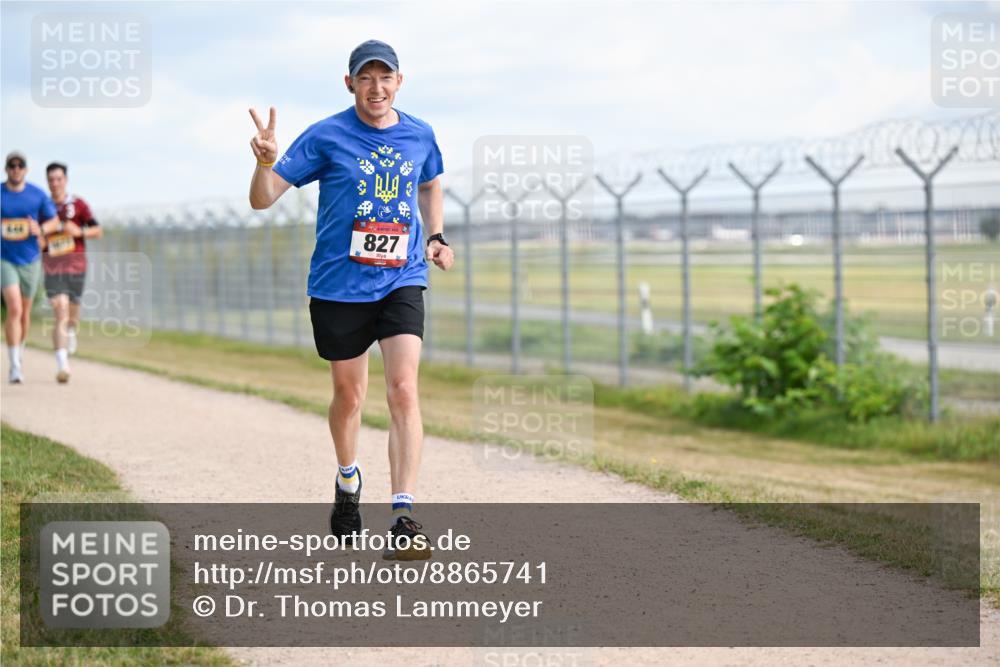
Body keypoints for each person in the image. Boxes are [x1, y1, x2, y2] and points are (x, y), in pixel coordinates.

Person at [247, 40, 452, 560]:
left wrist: (436, 236)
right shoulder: (326, 135)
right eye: (366, 78)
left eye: (386, 78)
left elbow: (430, 183)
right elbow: (264, 197)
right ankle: (347, 479)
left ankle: (404, 515)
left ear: (399, 82)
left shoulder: (420, 133)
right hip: (339, 284)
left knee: (404, 389)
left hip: (401, 276)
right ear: (350, 84)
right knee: (350, 397)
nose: (376, 87)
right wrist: (265, 163)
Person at [1, 151, 60, 384]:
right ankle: (14, 366)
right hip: (4, 258)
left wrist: (41, 229)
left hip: (30, 259)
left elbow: (54, 220)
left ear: (25, 169)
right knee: (14, 308)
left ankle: (19, 352)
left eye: (20, 165)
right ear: (6, 169)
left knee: (24, 313)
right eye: (11, 165)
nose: (16, 169)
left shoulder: (37, 195)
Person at [42, 162, 101, 383]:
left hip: (76, 266)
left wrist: (79, 231)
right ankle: (62, 363)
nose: (55, 183)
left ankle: (72, 331)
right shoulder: (43, 206)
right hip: (52, 267)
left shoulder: (78, 204)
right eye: (51, 179)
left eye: (58, 179)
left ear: (65, 180)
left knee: (72, 317)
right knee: (60, 311)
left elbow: (97, 230)